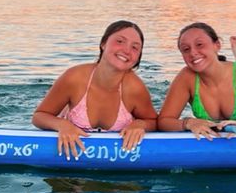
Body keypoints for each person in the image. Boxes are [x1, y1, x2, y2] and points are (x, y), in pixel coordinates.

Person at [32, 20, 157, 158]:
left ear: (138, 57)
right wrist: (62, 125)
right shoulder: (74, 78)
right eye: (120, 41)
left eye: (135, 47)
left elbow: (154, 122)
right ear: (103, 44)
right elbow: (39, 116)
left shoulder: (135, 88)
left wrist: (139, 124)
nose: (127, 50)